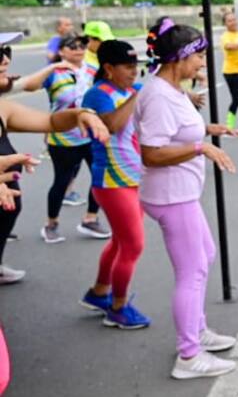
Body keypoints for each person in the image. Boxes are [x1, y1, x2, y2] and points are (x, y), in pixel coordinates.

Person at [137, 18, 238, 379]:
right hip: (171, 196)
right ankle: (189, 355)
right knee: (192, 271)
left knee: (204, 256)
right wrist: (201, 148)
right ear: (180, 57)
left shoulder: (171, 88)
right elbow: (152, 153)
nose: (202, 63)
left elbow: (178, 130)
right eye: (198, 56)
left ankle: (197, 330)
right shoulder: (159, 95)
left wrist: (209, 130)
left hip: (180, 193)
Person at [0, 32, 107, 286]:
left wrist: (80, 114)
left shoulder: (3, 107)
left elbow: (50, 122)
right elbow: (31, 85)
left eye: (7, 52)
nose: (6, 60)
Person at [80, 40, 151, 329]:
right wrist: (137, 96)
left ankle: (99, 292)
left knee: (120, 241)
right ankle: (118, 307)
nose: (134, 72)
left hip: (135, 178)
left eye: (136, 67)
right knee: (133, 245)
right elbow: (112, 125)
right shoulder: (97, 94)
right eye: (128, 67)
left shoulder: (131, 90)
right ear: (108, 68)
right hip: (112, 182)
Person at [19, 33, 110, 242]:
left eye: (82, 46)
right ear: (61, 51)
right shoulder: (54, 73)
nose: (78, 49)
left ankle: (90, 218)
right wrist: (53, 66)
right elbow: (29, 86)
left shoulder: (93, 70)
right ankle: (51, 224)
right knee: (62, 181)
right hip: (63, 139)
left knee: (100, 178)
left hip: (91, 135)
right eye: (72, 46)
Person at [81, 20, 114, 88]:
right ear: (88, 39)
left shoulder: (113, 56)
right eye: (100, 40)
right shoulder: (80, 60)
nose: (105, 44)